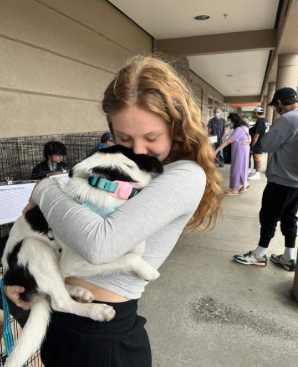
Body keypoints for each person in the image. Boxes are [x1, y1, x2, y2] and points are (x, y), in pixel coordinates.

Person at [4, 56, 223, 367]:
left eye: (151, 138)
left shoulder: (185, 174)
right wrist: (27, 282)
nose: (135, 152)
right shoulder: (132, 166)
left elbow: (99, 244)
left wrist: (44, 188)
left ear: (176, 125)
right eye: (123, 138)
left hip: (100, 337)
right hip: (63, 313)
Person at [234, 87, 298, 271]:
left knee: (269, 217)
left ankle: (259, 254)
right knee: (290, 217)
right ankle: (288, 257)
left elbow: (268, 145)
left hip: (281, 180)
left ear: (279, 103)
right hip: (296, 184)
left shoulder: (288, 119)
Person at [214, 113, 251, 196]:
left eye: (231, 120)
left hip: (240, 150)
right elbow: (248, 136)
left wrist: (217, 150)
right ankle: (246, 184)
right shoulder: (244, 127)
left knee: (236, 168)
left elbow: (228, 141)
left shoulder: (239, 129)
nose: (230, 122)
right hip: (243, 149)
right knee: (242, 167)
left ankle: (234, 189)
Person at [248, 107, 269, 180]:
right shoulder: (264, 120)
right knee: (255, 158)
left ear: (256, 113)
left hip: (258, 143)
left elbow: (256, 134)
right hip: (262, 141)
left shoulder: (260, 122)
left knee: (257, 158)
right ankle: (254, 171)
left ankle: (257, 174)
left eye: (254, 113)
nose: (253, 114)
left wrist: (253, 144)